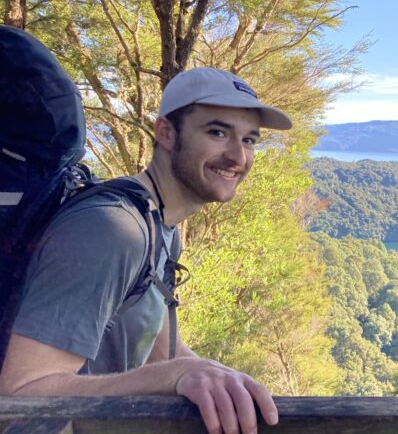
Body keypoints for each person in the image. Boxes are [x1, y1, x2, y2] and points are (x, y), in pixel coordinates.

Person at [0, 66, 292, 434]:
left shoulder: (159, 226)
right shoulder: (111, 229)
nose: (238, 156)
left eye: (250, 140)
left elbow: (160, 347)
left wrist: (215, 376)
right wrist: (174, 374)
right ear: (166, 133)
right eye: (217, 132)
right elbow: (22, 394)